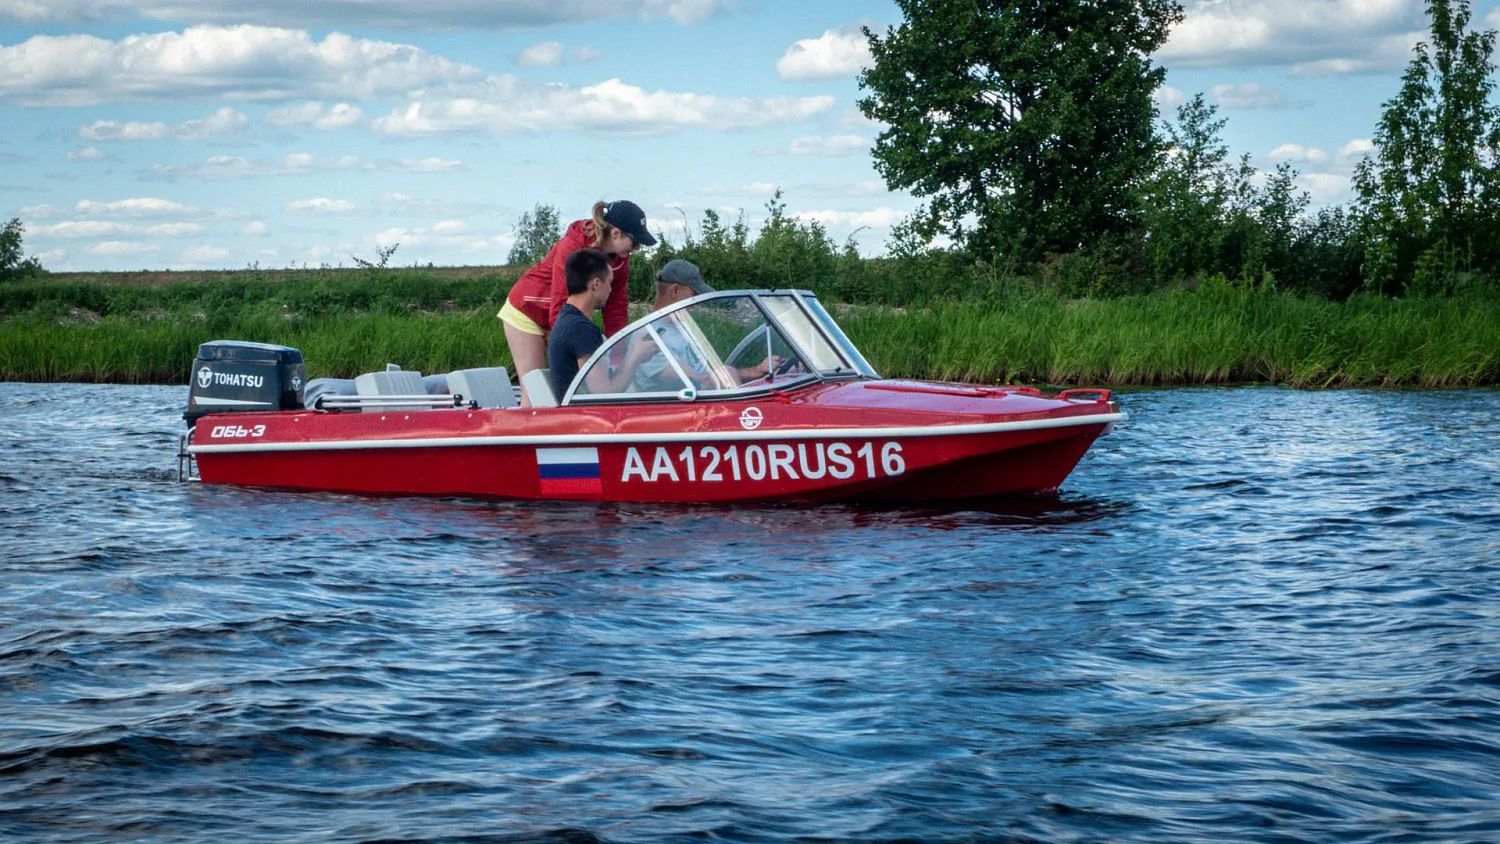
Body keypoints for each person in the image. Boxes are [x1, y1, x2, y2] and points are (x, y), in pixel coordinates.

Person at [499, 200, 655, 406]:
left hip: (566, 318)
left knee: (568, 386)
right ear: (616, 233)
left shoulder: (620, 259)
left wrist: (619, 358)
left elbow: (616, 309)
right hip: (528, 309)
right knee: (535, 393)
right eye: (634, 243)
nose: (636, 249)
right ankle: (522, 431)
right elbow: (561, 303)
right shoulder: (570, 247)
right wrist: (568, 346)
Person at [630, 259, 781, 392]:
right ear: (675, 291)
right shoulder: (648, 335)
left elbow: (709, 374)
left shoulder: (682, 324)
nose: (695, 303)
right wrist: (754, 371)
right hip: (673, 412)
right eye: (694, 295)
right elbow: (698, 381)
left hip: (699, 402)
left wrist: (761, 371)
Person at [546, 248, 657, 403]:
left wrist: (634, 354)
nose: (611, 289)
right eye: (610, 283)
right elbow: (605, 393)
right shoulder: (580, 329)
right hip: (584, 421)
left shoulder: (567, 321)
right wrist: (635, 356)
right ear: (596, 284)